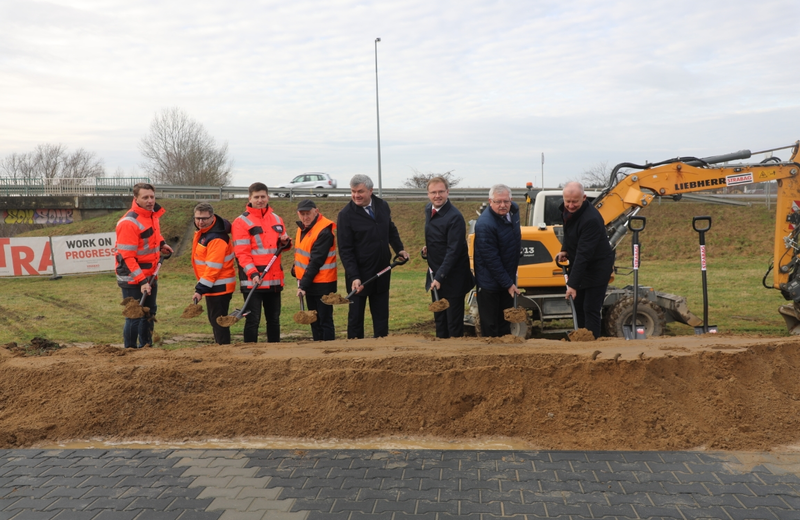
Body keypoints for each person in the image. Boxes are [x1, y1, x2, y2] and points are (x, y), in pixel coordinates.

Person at [337, 174, 409, 338]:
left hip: (382, 271)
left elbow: (390, 229)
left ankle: (381, 347)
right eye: (353, 192)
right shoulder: (346, 215)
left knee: (381, 315)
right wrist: (354, 276)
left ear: (371, 190)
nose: (356, 195)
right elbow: (345, 249)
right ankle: (355, 350)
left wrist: (399, 249)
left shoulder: (382, 205)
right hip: (359, 276)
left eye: (360, 191)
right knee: (356, 318)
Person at [115, 182, 174, 348]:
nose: (150, 201)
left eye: (152, 197)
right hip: (132, 277)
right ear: (136, 199)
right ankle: (130, 350)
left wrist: (161, 243)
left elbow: (151, 235)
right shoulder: (128, 223)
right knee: (134, 315)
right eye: (145, 197)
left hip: (150, 274)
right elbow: (127, 257)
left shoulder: (151, 216)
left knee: (149, 313)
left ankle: (146, 346)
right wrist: (142, 282)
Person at [231, 182, 292, 343]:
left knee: (274, 319)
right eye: (256, 197)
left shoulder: (277, 219)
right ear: (250, 198)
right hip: (254, 281)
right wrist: (253, 273)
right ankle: (251, 354)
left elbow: (280, 246)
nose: (260, 200)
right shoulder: (241, 222)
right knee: (253, 320)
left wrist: (286, 242)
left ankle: (274, 351)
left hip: (273, 280)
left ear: (268, 197)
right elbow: (242, 253)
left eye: (262, 196)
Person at [555, 181, 615, 339]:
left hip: (597, 268)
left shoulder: (591, 220)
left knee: (590, 308)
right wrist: (565, 249)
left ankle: (591, 342)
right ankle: (580, 339)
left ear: (584, 198)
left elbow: (584, 254)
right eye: (567, 201)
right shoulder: (568, 211)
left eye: (575, 201)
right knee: (578, 306)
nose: (570, 205)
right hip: (581, 265)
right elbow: (569, 232)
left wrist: (572, 285)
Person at [422, 176, 475, 338]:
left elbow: (454, 250)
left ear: (447, 192)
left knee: (453, 324)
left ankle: (455, 356)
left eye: (441, 192)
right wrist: (427, 250)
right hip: (436, 276)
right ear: (428, 194)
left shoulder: (455, 217)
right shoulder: (429, 210)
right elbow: (437, 238)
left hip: (453, 279)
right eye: (433, 192)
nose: (437, 196)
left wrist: (440, 277)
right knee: (440, 321)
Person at [473, 184, 521, 337]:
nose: (503, 205)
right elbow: (491, 260)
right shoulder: (485, 224)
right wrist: (508, 283)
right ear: (490, 201)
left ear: (511, 200)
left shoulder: (514, 211)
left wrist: (509, 281)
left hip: (507, 279)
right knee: (491, 326)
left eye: (506, 201)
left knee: (505, 325)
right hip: (490, 283)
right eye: (498, 202)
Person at [191, 202, 237, 345]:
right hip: (214, 286)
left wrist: (200, 290)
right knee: (217, 321)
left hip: (219, 287)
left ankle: (224, 350)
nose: (200, 222)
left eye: (204, 218)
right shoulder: (206, 233)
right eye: (198, 218)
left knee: (218, 322)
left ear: (212, 217)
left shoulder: (216, 238)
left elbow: (212, 268)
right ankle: (222, 348)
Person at [292, 199, 337, 341]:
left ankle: (329, 350)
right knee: (314, 320)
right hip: (309, 282)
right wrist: (295, 270)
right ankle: (317, 348)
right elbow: (302, 254)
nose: (305, 217)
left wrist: (303, 285)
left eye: (308, 213)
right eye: (302, 214)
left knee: (324, 320)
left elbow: (316, 261)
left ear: (316, 211)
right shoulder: (302, 229)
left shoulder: (324, 231)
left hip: (323, 283)